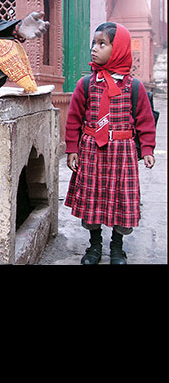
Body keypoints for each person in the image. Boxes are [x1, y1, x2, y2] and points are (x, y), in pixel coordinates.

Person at [64, 22, 156, 265]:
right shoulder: (86, 84)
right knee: (92, 199)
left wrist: (147, 149)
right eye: (94, 43)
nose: (94, 48)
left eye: (102, 43)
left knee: (121, 200)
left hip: (122, 153)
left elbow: (145, 121)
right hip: (92, 151)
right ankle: (94, 245)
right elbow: (73, 119)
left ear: (118, 49)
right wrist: (72, 149)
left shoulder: (133, 87)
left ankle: (117, 247)